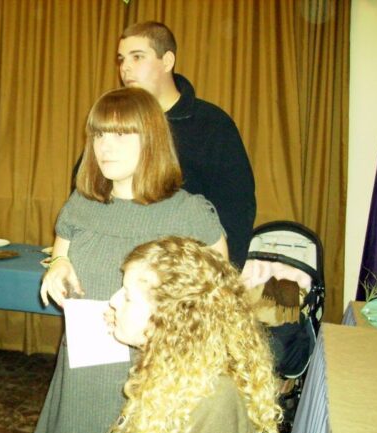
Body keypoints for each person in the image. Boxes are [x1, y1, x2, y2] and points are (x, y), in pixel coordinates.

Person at [36, 87, 228, 433]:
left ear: (152, 138)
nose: (105, 146)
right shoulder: (81, 204)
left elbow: (221, 305)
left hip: (150, 382)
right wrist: (57, 267)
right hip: (83, 377)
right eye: (99, 134)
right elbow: (60, 255)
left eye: (122, 134)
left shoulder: (189, 214)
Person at [73, 21, 255, 268]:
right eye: (121, 59)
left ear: (167, 61)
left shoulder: (212, 125)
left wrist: (218, 276)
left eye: (137, 57)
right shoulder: (115, 121)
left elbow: (236, 209)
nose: (125, 67)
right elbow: (87, 186)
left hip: (181, 272)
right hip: (113, 263)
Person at [99, 236, 281, 433]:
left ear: (169, 317)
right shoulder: (171, 366)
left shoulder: (214, 402)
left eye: (128, 296)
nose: (113, 300)